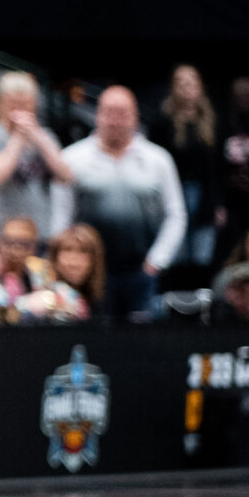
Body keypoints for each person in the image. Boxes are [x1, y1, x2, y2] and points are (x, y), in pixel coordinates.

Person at [57, 86, 185, 321]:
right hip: (89, 273)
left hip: (142, 270)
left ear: (135, 117)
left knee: (141, 342)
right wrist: (65, 263)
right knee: (95, 340)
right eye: (109, 112)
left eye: (122, 113)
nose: (115, 120)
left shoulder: (158, 159)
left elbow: (175, 214)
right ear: (97, 115)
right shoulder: (72, 158)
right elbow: (61, 215)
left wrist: (158, 260)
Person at [0, 71, 70, 247]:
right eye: (13, 104)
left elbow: (66, 174)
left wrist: (38, 137)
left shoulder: (45, 136)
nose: (19, 111)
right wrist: (18, 139)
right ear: (1, 103)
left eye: (25, 104)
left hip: (39, 236)